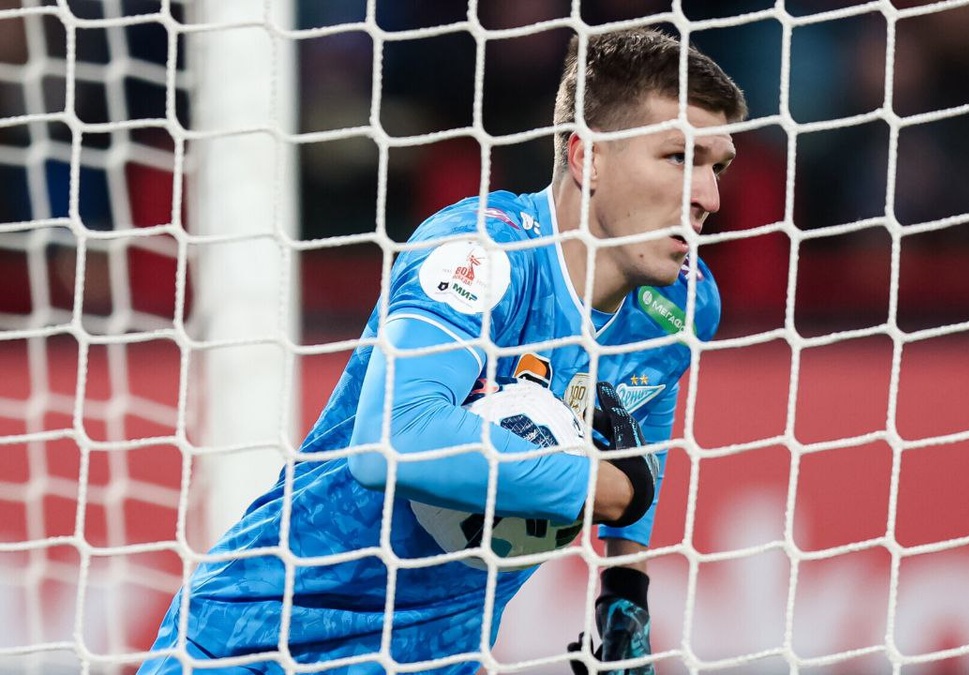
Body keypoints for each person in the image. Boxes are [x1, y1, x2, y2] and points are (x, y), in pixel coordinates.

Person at [139, 26, 746, 675]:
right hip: (261, 645)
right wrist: (601, 487)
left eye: (717, 167)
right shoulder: (482, 253)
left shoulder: (682, 304)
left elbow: (640, 409)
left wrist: (625, 588)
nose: (708, 198)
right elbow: (393, 436)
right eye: (679, 157)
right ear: (587, 157)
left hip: (432, 660)